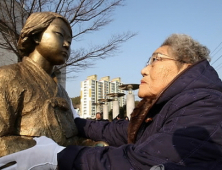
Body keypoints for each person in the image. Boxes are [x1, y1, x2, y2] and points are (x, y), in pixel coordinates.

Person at [1, 34, 222, 170]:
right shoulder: (175, 105)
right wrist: (77, 123)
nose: (144, 69)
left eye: (155, 59)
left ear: (186, 64)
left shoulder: (206, 106)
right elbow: (124, 131)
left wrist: (58, 156)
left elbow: (143, 163)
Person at [0, 12, 80, 157]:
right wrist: (50, 152)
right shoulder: (7, 76)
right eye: (60, 34)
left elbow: (70, 139)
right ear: (36, 35)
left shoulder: (62, 92)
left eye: (70, 40)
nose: (67, 44)